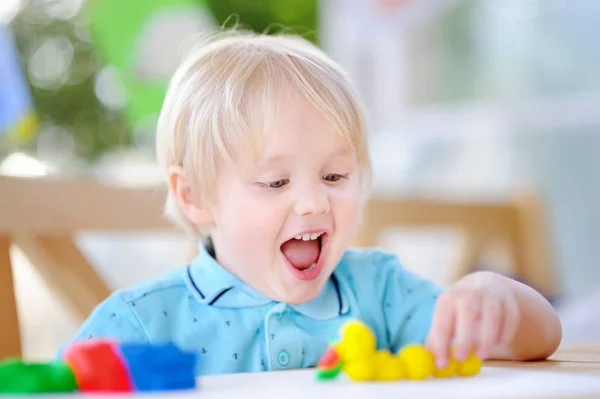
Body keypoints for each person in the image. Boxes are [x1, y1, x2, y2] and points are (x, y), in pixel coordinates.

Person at [55, 31, 561, 376]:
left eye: (335, 175)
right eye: (276, 182)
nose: (313, 201)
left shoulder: (377, 292)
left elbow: (542, 340)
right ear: (194, 197)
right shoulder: (142, 323)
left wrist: (495, 296)